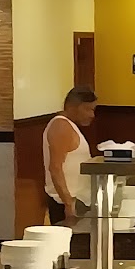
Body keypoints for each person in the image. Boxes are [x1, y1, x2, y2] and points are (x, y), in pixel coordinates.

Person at [43, 85, 97, 226]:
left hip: (77, 200)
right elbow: (55, 168)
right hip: (65, 203)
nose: (92, 115)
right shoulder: (60, 126)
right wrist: (68, 204)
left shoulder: (69, 125)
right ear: (72, 107)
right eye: (88, 109)